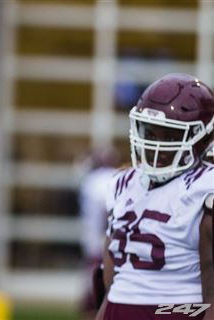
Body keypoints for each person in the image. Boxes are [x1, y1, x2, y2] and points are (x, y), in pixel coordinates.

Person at [96, 73, 214, 320]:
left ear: (204, 139)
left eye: (170, 136)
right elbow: (113, 276)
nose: (158, 145)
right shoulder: (122, 183)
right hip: (119, 308)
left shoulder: (205, 187)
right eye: (150, 133)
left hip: (175, 311)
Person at [77, 147, 119, 319]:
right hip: (107, 247)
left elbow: (106, 212)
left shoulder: (94, 181)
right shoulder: (112, 178)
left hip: (99, 248)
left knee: (94, 303)